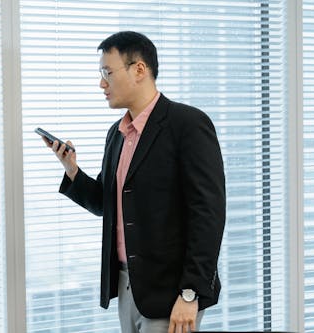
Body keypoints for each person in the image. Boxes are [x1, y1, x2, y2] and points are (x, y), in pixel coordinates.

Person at [40, 31, 226, 333]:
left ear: (139, 70)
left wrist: (190, 293)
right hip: (129, 286)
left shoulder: (188, 124)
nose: (102, 83)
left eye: (107, 72)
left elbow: (209, 214)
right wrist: (72, 169)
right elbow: (105, 203)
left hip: (172, 293)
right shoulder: (117, 134)